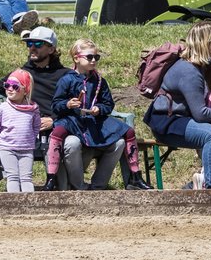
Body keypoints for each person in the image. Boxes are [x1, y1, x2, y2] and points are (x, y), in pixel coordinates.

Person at [0, 26, 86, 185]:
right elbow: (0, 85)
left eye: (38, 44)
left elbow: (76, 106)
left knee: (69, 143)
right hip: (25, 133)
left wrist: (54, 121)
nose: (32, 48)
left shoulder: (66, 75)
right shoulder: (24, 73)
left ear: (51, 49)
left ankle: (73, 187)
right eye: (29, 44)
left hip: (56, 129)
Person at [45, 39, 152, 191]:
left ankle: (135, 175)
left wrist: (99, 109)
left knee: (128, 131)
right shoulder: (67, 79)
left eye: (96, 57)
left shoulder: (100, 81)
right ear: (76, 58)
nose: (93, 60)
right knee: (57, 131)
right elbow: (56, 105)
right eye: (89, 57)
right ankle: (51, 177)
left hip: (94, 121)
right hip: (73, 120)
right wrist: (68, 104)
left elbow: (108, 104)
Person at [144, 21, 211, 189]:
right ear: (206, 42)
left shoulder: (202, 64)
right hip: (168, 122)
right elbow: (201, 115)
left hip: (183, 119)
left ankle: (192, 188)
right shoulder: (189, 72)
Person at [0, 69, 42, 193]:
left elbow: (36, 127)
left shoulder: (33, 109)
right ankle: (13, 204)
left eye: (15, 86)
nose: (10, 89)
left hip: (26, 149)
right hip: (7, 148)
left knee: (26, 178)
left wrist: (30, 139)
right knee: (12, 176)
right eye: (7, 85)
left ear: (26, 90)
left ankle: (28, 205)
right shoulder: (3, 108)